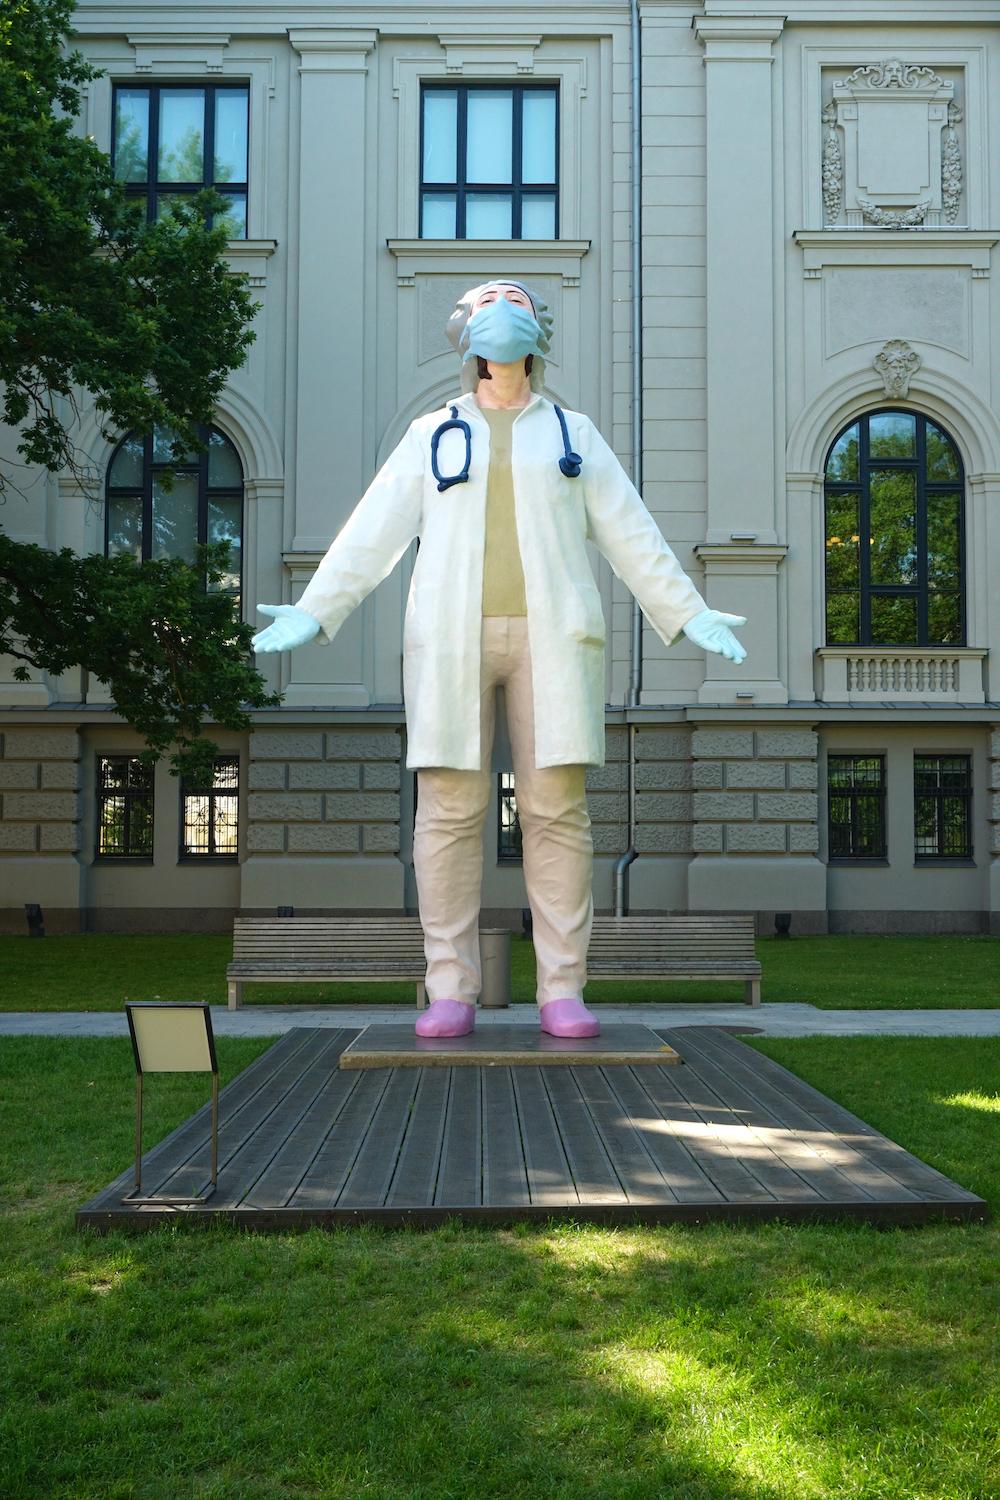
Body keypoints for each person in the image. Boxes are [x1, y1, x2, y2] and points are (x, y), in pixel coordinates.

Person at [252, 279, 747, 1039]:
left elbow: (631, 532)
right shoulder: (432, 433)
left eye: (515, 301)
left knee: (557, 811)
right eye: (488, 304)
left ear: (538, 332)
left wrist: (688, 611)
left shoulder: (573, 433)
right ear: (467, 335)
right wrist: (317, 609)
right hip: (452, 636)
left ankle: (562, 989)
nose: (503, 313)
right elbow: (373, 530)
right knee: (449, 812)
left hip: (554, 637)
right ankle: (449, 987)